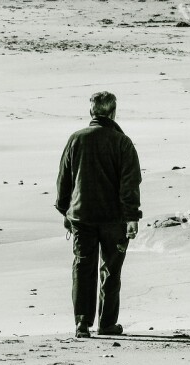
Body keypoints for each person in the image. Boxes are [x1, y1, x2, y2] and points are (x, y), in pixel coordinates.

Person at [56, 91, 142, 339]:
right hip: (113, 218)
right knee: (111, 270)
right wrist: (132, 217)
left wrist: (65, 210)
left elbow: (64, 179)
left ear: (91, 112)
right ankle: (106, 323)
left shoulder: (76, 139)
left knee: (83, 267)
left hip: (82, 216)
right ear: (113, 112)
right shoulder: (122, 142)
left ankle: (82, 323)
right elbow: (130, 184)